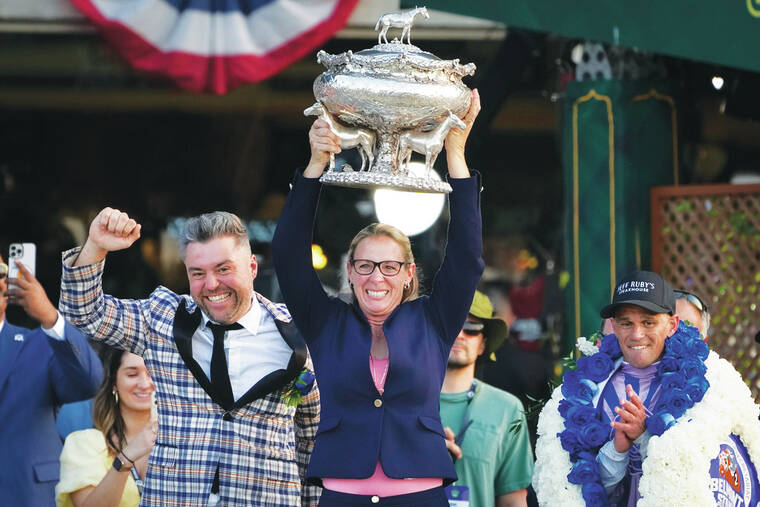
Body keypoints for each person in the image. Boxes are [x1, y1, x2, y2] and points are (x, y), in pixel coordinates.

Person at [271, 90, 483, 506]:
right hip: (343, 496)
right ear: (350, 273)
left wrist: (455, 156)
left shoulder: (434, 321)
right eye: (365, 265)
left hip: (418, 496)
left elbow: (467, 258)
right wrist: (316, 165)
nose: (376, 278)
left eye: (389, 267)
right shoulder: (326, 321)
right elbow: (288, 255)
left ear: (408, 275)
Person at [58, 211, 320, 506]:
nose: (211, 285)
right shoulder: (162, 320)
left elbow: (311, 435)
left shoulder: (298, 336)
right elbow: (83, 315)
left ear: (252, 267)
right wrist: (95, 246)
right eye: (198, 273)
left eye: (223, 269)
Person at [533, 270, 760, 505]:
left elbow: (715, 476)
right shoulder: (592, 389)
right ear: (613, 325)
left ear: (672, 325)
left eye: (648, 322)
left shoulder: (708, 383)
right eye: (626, 323)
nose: (636, 334)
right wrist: (618, 450)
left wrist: (643, 437)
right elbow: (584, 490)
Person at [0, 254, 102, 506]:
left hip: (25, 495)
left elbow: (89, 381)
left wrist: (50, 317)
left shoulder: (40, 344)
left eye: (2, 273)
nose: (1, 282)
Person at [440, 290, 533, 507]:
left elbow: (513, 500)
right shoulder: (402, 402)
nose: (460, 334)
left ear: (483, 344)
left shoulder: (508, 409)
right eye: (452, 324)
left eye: (472, 328)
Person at [56, 348, 156, 506]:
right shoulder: (84, 443)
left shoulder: (184, 440)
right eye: (132, 374)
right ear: (114, 383)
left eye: (153, 373)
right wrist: (127, 457)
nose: (145, 384)